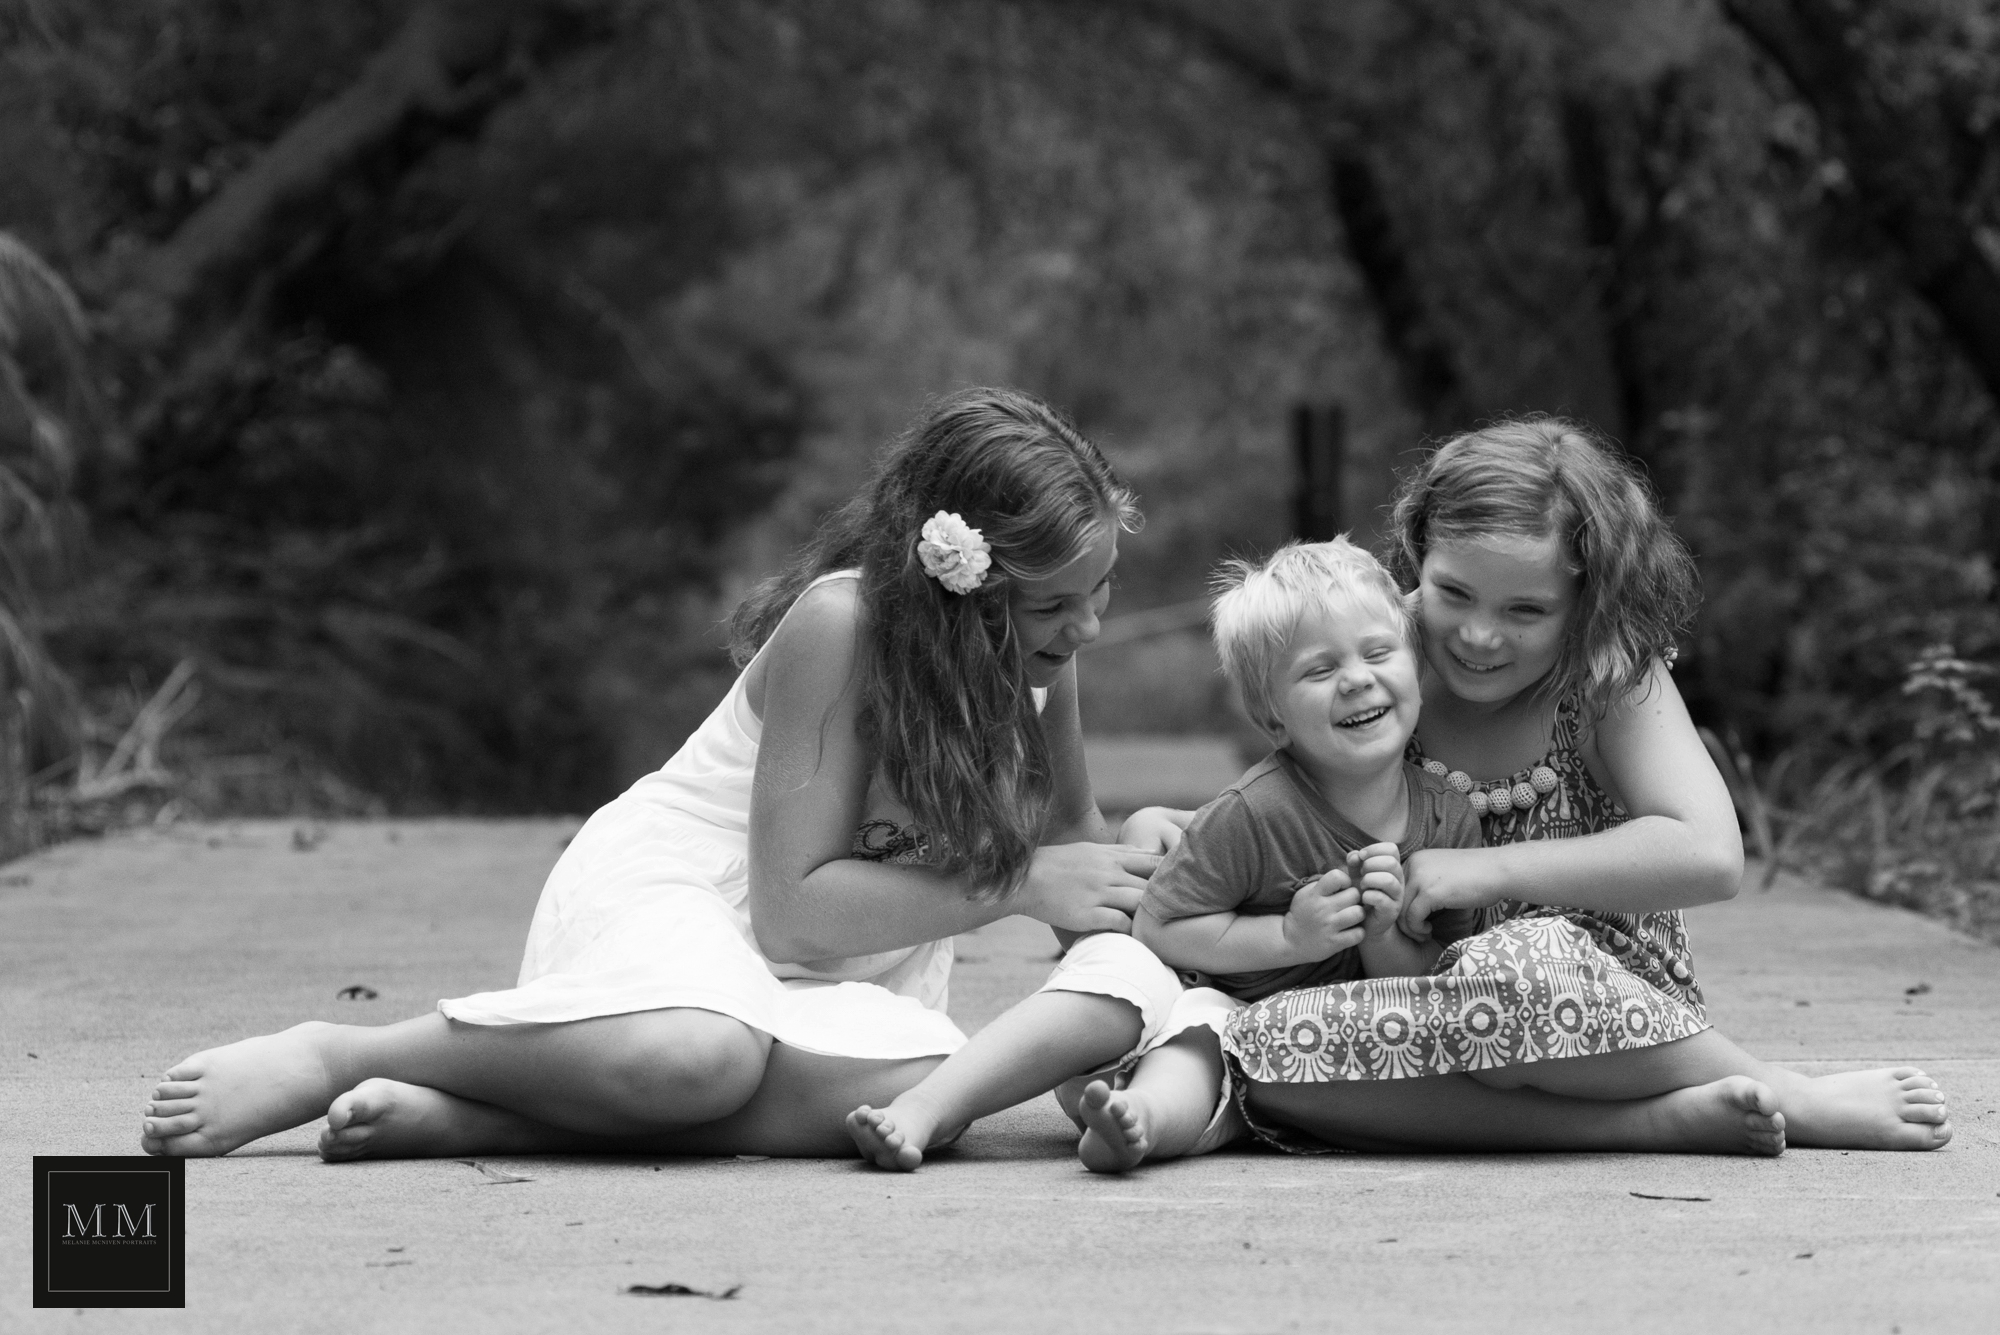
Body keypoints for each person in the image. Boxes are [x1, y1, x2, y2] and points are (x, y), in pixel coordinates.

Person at [138, 386, 1183, 1161]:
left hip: (848, 967)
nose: (1085, 626)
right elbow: (790, 913)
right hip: (696, 900)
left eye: (1100, 592)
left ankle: (486, 1120)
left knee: (932, 1085)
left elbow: (1071, 842)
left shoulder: (1043, 665)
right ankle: (346, 1053)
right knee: (700, 1056)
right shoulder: (844, 624)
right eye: (1054, 605)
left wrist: (1158, 858)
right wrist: (1019, 887)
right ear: (958, 577)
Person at [1222, 417, 1952, 1155]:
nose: (1479, 635)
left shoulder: (1604, 674)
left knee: (1504, 969)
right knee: (1260, 1049)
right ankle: (1650, 1124)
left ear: (1586, 599)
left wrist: (1486, 868)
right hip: (1416, 991)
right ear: (1418, 554)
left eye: (1526, 610)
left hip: (1596, 999)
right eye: (1454, 592)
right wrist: (1196, 832)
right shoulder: (1373, 654)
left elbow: (1710, 854)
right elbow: (1288, 795)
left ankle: (1789, 1093)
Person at [846, 539, 1483, 1174]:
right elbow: (1162, 929)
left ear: (1417, 671)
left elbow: (1436, 983)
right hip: (1183, 1001)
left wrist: (1381, 936)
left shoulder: (1449, 820)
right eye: (1319, 671)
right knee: (1162, 1007)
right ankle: (935, 1106)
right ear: (1273, 718)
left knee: (1220, 1046)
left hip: (1289, 1043)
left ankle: (1137, 1125)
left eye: (1378, 653)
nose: (1356, 679)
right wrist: (1291, 936)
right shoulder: (1258, 810)